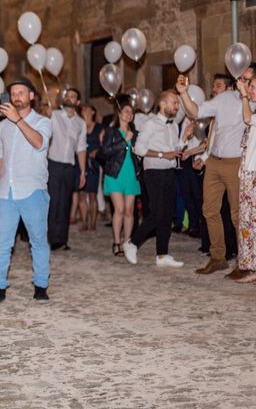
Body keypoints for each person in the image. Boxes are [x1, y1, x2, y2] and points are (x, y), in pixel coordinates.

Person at [177, 65, 255, 275]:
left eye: (248, 80)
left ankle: (244, 262)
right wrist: (184, 93)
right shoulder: (224, 99)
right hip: (214, 161)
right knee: (209, 210)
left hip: (237, 163)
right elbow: (196, 111)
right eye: (242, 78)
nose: (244, 83)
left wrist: (247, 96)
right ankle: (218, 257)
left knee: (238, 215)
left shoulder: (254, 101)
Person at [0, 78, 53, 303]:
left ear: (31, 96)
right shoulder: (4, 126)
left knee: (38, 240)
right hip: (6, 191)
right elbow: (0, 157)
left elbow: (38, 143)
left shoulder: (43, 122)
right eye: (13, 93)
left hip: (33, 189)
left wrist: (18, 120)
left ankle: (41, 285)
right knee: (2, 242)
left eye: (21, 92)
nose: (16, 96)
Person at [122, 90, 184, 267]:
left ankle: (162, 255)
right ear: (163, 104)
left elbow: (174, 149)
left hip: (169, 172)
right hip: (154, 172)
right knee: (156, 213)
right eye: (174, 102)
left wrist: (184, 138)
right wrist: (163, 154)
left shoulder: (173, 126)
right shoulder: (150, 124)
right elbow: (139, 149)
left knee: (167, 215)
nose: (177, 106)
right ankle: (132, 243)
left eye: (178, 103)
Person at [47, 88, 87, 250]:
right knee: (52, 202)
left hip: (70, 166)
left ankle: (61, 240)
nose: (70, 98)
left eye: (73, 96)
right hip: (53, 164)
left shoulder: (81, 123)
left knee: (65, 203)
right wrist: (46, 113)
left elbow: (81, 148)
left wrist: (83, 171)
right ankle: (48, 238)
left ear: (77, 102)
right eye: (68, 95)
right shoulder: (54, 115)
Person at [102, 101, 140, 256]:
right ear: (119, 114)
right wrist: (125, 141)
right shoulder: (111, 131)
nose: (128, 114)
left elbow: (139, 153)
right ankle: (116, 242)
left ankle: (127, 242)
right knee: (120, 209)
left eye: (131, 112)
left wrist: (139, 153)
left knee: (130, 210)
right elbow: (106, 151)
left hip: (131, 174)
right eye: (126, 111)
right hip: (115, 174)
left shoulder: (136, 134)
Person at [235, 74, 256, 282]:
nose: (251, 91)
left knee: (254, 222)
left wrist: (242, 95)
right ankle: (252, 267)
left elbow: (247, 118)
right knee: (249, 223)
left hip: (255, 174)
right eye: (251, 87)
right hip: (249, 173)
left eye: (254, 87)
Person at [78, 104, 103, 231]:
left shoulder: (99, 128)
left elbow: (104, 145)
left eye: (87, 108)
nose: (84, 111)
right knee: (81, 194)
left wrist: (97, 151)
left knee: (93, 194)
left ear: (93, 111)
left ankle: (93, 223)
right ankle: (84, 222)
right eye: (83, 109)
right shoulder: (78, 125)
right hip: (81, 162)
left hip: (93, 164)